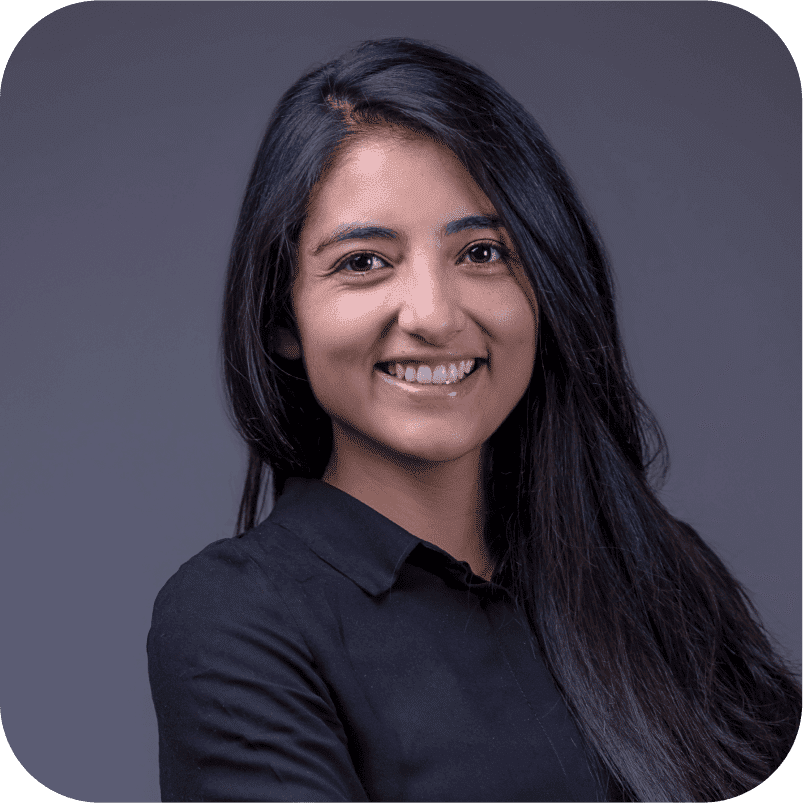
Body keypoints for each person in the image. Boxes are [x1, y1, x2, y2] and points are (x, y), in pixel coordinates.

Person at [147, 37, 801, 802]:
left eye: (482, 252)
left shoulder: (659, 570)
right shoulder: (237, 618)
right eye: (363, 261)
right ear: (281, 316)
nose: (433, 315)